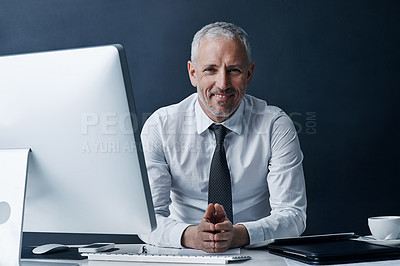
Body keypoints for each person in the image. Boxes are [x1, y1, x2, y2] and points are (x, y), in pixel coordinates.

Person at [139, 21, 306, 253]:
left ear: (249, 74)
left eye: (234, 70)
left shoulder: (276, 125)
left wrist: (238, 235)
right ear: (193, 73)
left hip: (256, 254)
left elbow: (293, 216)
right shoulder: (160, 126)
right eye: (210, 69)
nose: (223, 83)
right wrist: (192, 236)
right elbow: (146, 221)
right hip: (182, 253)